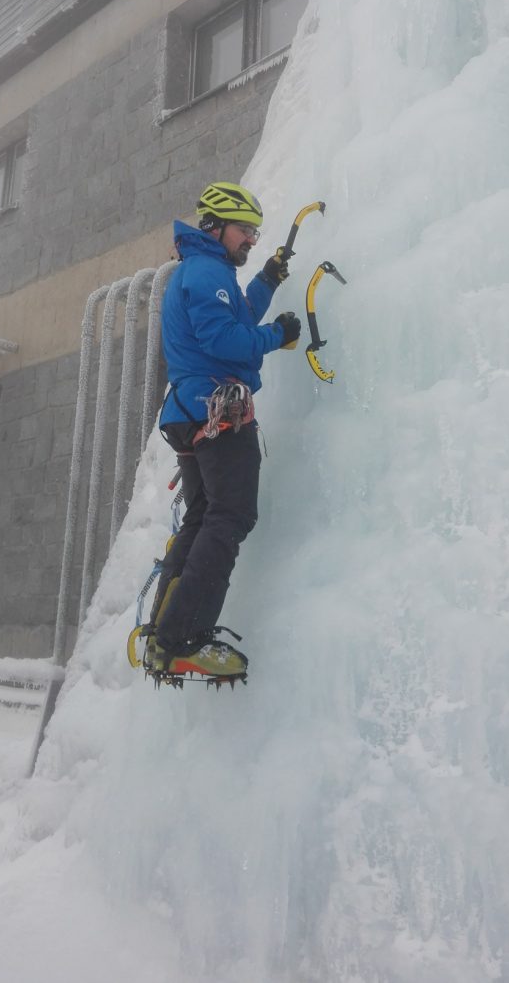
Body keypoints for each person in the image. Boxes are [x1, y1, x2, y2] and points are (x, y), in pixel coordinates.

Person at [143, 182, 300, 680]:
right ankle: (181, 638)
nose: (251, 240)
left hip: (188, 414)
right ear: (215, 226)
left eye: (254, 232)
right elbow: (226, 338)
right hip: (216, 413)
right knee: (230, 516)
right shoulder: (207, 270)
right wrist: (279, 335)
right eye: (244, 231)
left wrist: (268, 281)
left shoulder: (202, 271)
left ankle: (160, 635)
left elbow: (234, 316)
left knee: (203, 517)